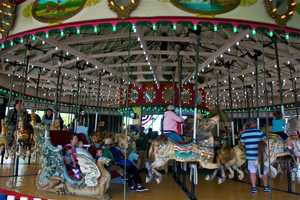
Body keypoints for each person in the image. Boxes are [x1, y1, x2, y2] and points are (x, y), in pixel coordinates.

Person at [240, 120, 271, 193]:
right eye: (255, 123)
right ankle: (266, 187)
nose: (256, 125)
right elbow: (265, 141)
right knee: (264, 171)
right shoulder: (259, 131)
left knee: (252, 172)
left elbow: (242, 144)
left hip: (250, 156)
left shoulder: (244, 133)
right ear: (253, 124)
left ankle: (254, 188)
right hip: (260, 156)